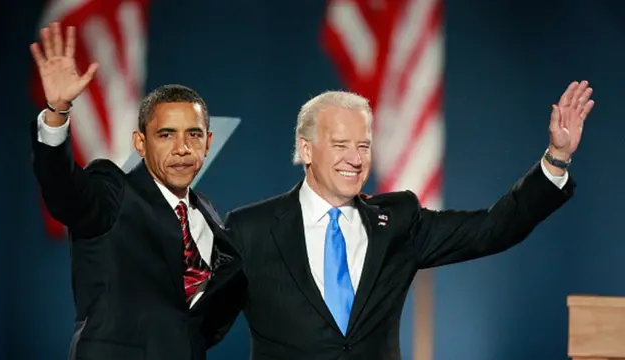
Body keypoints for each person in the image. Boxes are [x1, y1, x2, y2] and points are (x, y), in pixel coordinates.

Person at [223, 83, 594, 359]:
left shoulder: (397, 222)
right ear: (306, 149)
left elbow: (493, 228)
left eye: (364, 146)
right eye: (340, 145)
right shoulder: (251, 229)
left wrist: (556, 158)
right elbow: (201, 323)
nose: (355, 159)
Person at [29, 23, 245, 360]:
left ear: (208, 143)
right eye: (166, 135)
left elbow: (211, 308)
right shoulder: (115, 190)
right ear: (140, 143)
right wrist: (57, 113)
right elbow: (65, 192)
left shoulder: (206, 213)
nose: (182, 148)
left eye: (193, 135)